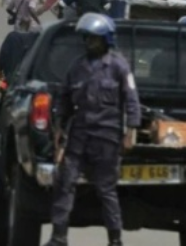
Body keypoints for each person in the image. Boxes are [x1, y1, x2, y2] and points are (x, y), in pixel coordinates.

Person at [45, 13, 141, 246]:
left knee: (106, 190)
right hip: (78, 135)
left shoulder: (119, 66)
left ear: (106, 40)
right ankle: (59, 237)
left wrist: (131, 131)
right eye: (87, 38)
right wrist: (59, 127)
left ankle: (115, 239)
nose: (89, 43)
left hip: (106, 137)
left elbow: (131, 99)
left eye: (94, 39)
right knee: (64, 183)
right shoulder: (77, 67)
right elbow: (64, 99)